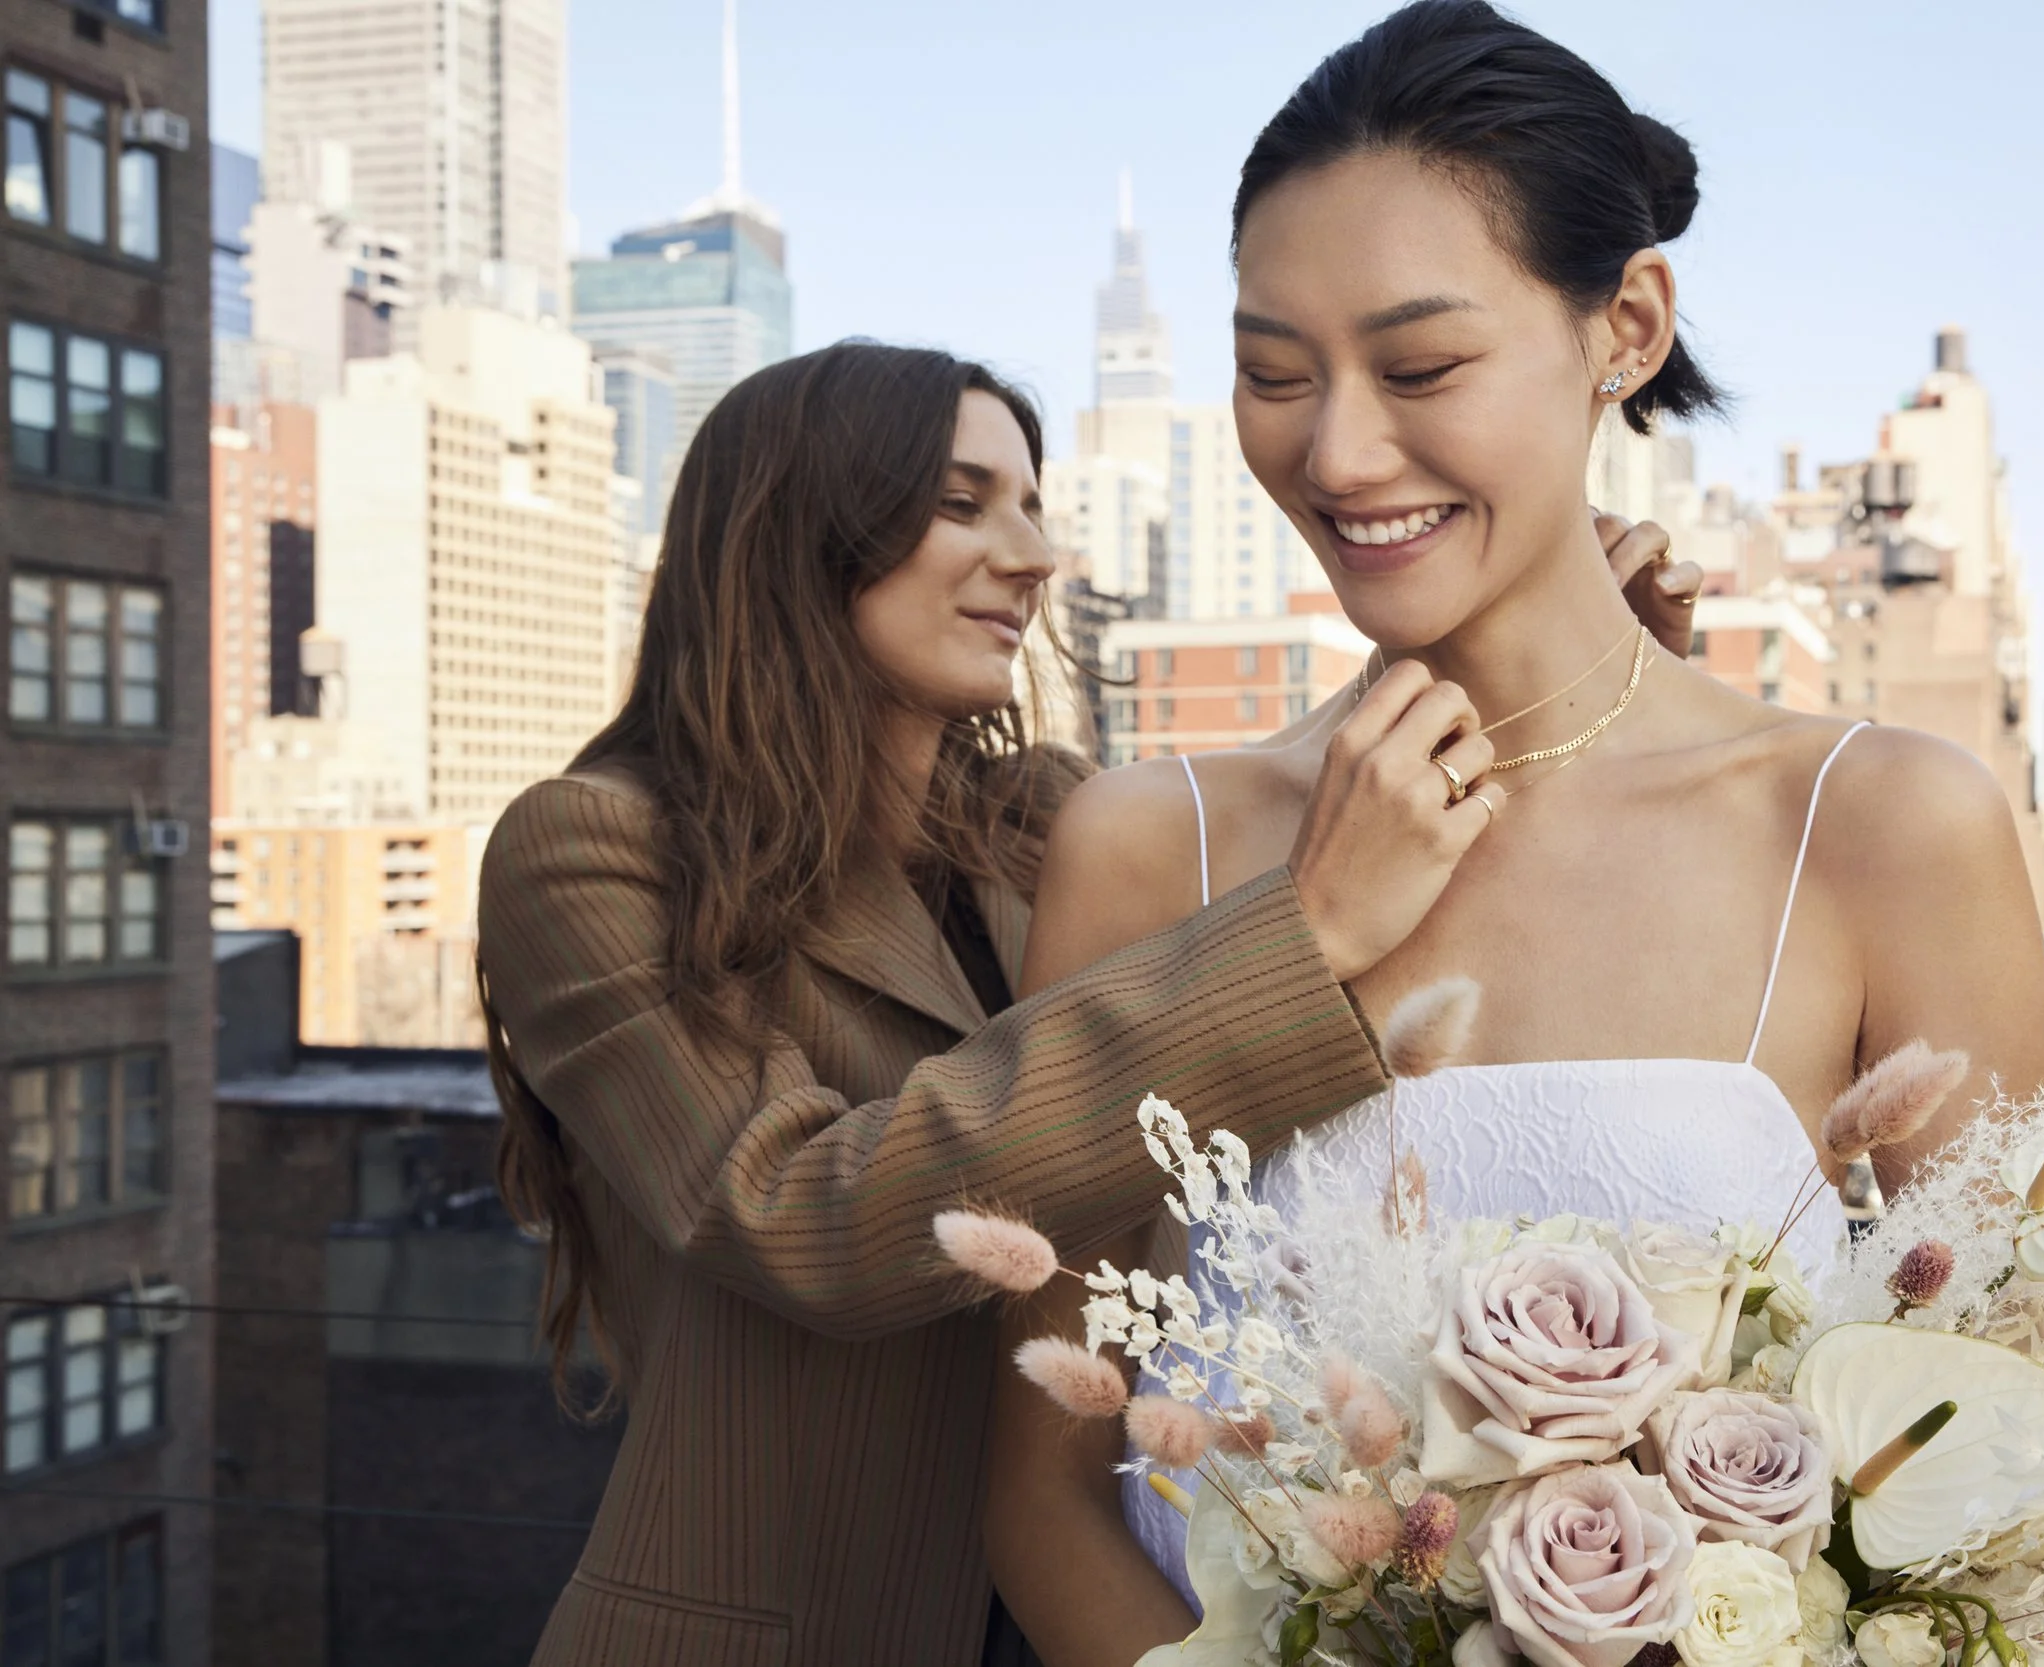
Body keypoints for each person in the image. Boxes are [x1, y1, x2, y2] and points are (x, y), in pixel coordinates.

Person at [981, 6, 2044, 1661]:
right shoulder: (1148, 847)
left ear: (1623, 327)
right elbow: (1045, 1488)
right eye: (1276, 374)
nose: (1335, 452)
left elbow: (2012, 1478)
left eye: (1420, 368)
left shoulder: (1882, 828)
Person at [475, 340, 1694, 1667]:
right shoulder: (594, 851)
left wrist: (1553, 673)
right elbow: (806, 1217)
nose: (1035, 553)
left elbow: (1307, 813)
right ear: (794, 532)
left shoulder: (1046, 828)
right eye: (962, 502)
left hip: (1100, 1605)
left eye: (1032, 502)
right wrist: (1306, 931)